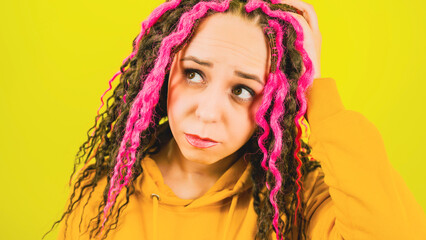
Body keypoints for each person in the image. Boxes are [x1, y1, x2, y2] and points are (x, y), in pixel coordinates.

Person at [45, 0, 426, 239]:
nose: (208, 112)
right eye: (194, 73)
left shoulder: (296, 199)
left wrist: (317, 91)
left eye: (242, 90)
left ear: (277, 101)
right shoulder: (106, 191)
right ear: (160, 72)